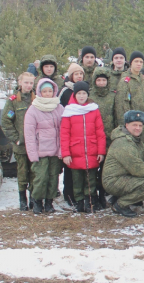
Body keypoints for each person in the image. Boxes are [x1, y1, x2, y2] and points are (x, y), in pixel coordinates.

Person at [103, 110, 144, 218]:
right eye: (134, 125)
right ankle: (120, 205)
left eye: (140, 125)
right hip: (113, 181)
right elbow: (137, 168)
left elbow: (143, 163)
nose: (138, 128)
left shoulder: (136, 141)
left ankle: (119, 199)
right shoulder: (123, 142)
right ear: (126, 125)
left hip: (124, 177)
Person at [60, 81, 107, 213]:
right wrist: (66, 153)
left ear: (87, 94)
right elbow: (64, 134)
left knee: (90, 179)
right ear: (75, 95)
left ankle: (89, 201)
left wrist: (101, 151)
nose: (81, 96)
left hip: (91, 151)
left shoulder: (93, 110)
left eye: (84, 93)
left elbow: (100, 132)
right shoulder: (69, 111)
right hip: (75, 152)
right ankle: (79, 201)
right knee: (77, 180)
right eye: (79, 93)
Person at [24, 79, 65, 214]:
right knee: (40, 178)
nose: (47, 94)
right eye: (44, 91)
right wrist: (32, 154)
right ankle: (37, 201)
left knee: (53, 178)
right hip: (40, 151)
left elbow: (63, 130)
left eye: (50, 91)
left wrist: (61, 150)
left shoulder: (59, 107)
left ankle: (49, 202)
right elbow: (29, 134)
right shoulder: (33, 109)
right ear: (39, 93)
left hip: (55, 151)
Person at [2, 72, 36, 211]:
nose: (28, 86)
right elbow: (6, 121)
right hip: (21, 145)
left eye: (31, 83)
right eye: (26, 83)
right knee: (22, 172)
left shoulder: (36, 99)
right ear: (20, 82)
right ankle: (23, 199)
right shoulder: (14, 101)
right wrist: (16, 139)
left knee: (34, 172)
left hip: (34, 144)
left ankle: (34, 197)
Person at [89, 66, 116, 209]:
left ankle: (103, 194)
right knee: (94, 168)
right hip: (93, 138)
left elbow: (117, 115)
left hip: (109, 137)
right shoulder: (89, 96)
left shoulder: (113, 96)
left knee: (106, 169)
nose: (101, 83)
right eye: (98, 80)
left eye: (103, 80)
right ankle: (94, 196)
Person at [115, 51, 144, 145]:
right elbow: (121, 106)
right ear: (131, 63)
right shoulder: (125, 81)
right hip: (131, 128)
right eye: (136, 61)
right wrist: (126, 128)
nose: (139, 64)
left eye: (141, 62)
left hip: (143, 126)